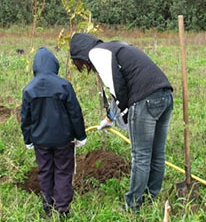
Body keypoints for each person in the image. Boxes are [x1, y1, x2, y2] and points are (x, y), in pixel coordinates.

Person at [70, 33, 173, 212]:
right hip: (165, 96)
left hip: (145, 100)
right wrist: (110, 117)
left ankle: (132, 206)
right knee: (157, 153)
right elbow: (122, 82)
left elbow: (117, 87)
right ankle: (151, 197)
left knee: (141, 156)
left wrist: (124, 114)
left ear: (81, 54)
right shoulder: (115, 46)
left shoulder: (96, 53)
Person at [20, 47, 87, 217]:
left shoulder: (29, 89)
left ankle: (48, 206)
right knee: (63, 171)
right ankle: (63, 209)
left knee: (45, 171)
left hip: (40, 141)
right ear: (54, 65)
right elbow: (75, 113)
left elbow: (25, 118)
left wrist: (28, 139)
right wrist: (80, 136)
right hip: (63, 140)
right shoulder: (64, 86)